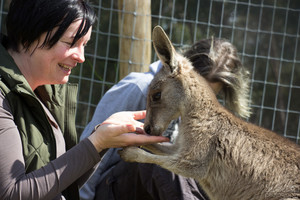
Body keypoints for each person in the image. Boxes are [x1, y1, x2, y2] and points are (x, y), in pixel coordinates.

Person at [0, 1, 169, 199]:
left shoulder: (46, 92)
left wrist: (102, 140)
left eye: (84, 45)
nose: (81, 57)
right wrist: (95, 143)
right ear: (28, 34)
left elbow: (57, 184)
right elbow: (12, 193)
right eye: (71, 43)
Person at [79, 38, 252, 199]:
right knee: (156, 157)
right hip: (109, 190)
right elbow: (91, 147)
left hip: (152, 190)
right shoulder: (139, 88)